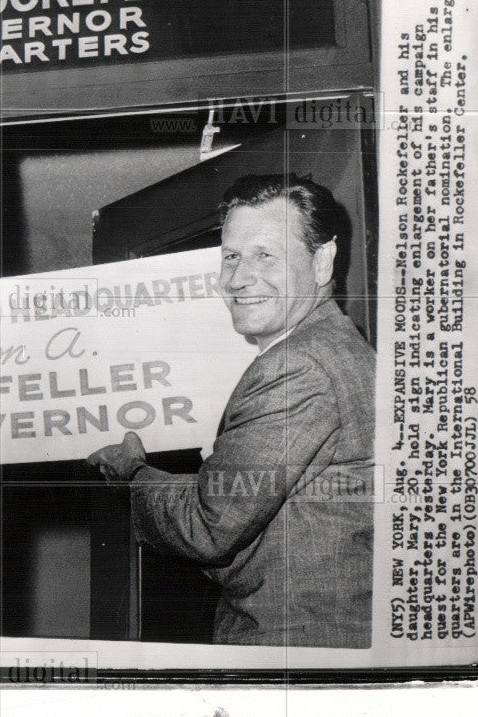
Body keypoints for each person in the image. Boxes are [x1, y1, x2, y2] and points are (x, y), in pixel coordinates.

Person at [87, 174, 375, 648]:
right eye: (231, 256)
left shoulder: (297, 366)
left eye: (265, 255)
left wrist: (132, 474)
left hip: (295, 646)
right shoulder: (338, 348)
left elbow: (209, 526)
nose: (238, 278)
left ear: (322, 261)